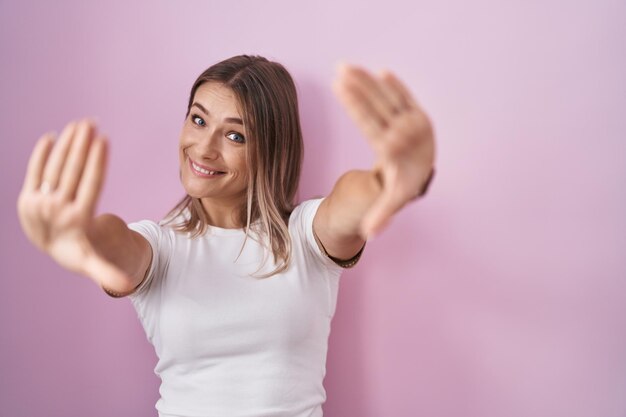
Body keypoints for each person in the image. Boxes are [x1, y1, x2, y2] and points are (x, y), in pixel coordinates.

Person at [17, 55, 435, 417]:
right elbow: (115, 243)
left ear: (272, 150)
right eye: (198, 120)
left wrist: (393, 179)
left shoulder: (305, 238)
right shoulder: (160, 247)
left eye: (235, 135)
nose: (203, 148)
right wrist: (81, 231)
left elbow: (348, 201)